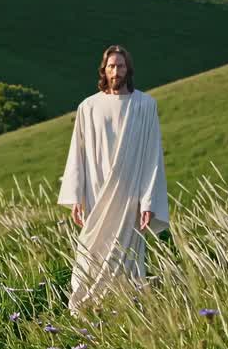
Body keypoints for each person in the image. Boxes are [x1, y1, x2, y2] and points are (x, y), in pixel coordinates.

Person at [57, 45, 170, 314]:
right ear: (103, 70)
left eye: (120, 66)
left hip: (131, 197)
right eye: (111, 66)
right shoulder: (88, 107)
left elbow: (153, 155)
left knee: (128, 258)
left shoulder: (145, 105)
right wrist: (77, 197)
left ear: (128, 69)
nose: (116, 71)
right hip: (96, 195)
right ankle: (86, 310)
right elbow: (78, 153)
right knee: (91, 255)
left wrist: (149, 201)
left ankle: (127, 311)